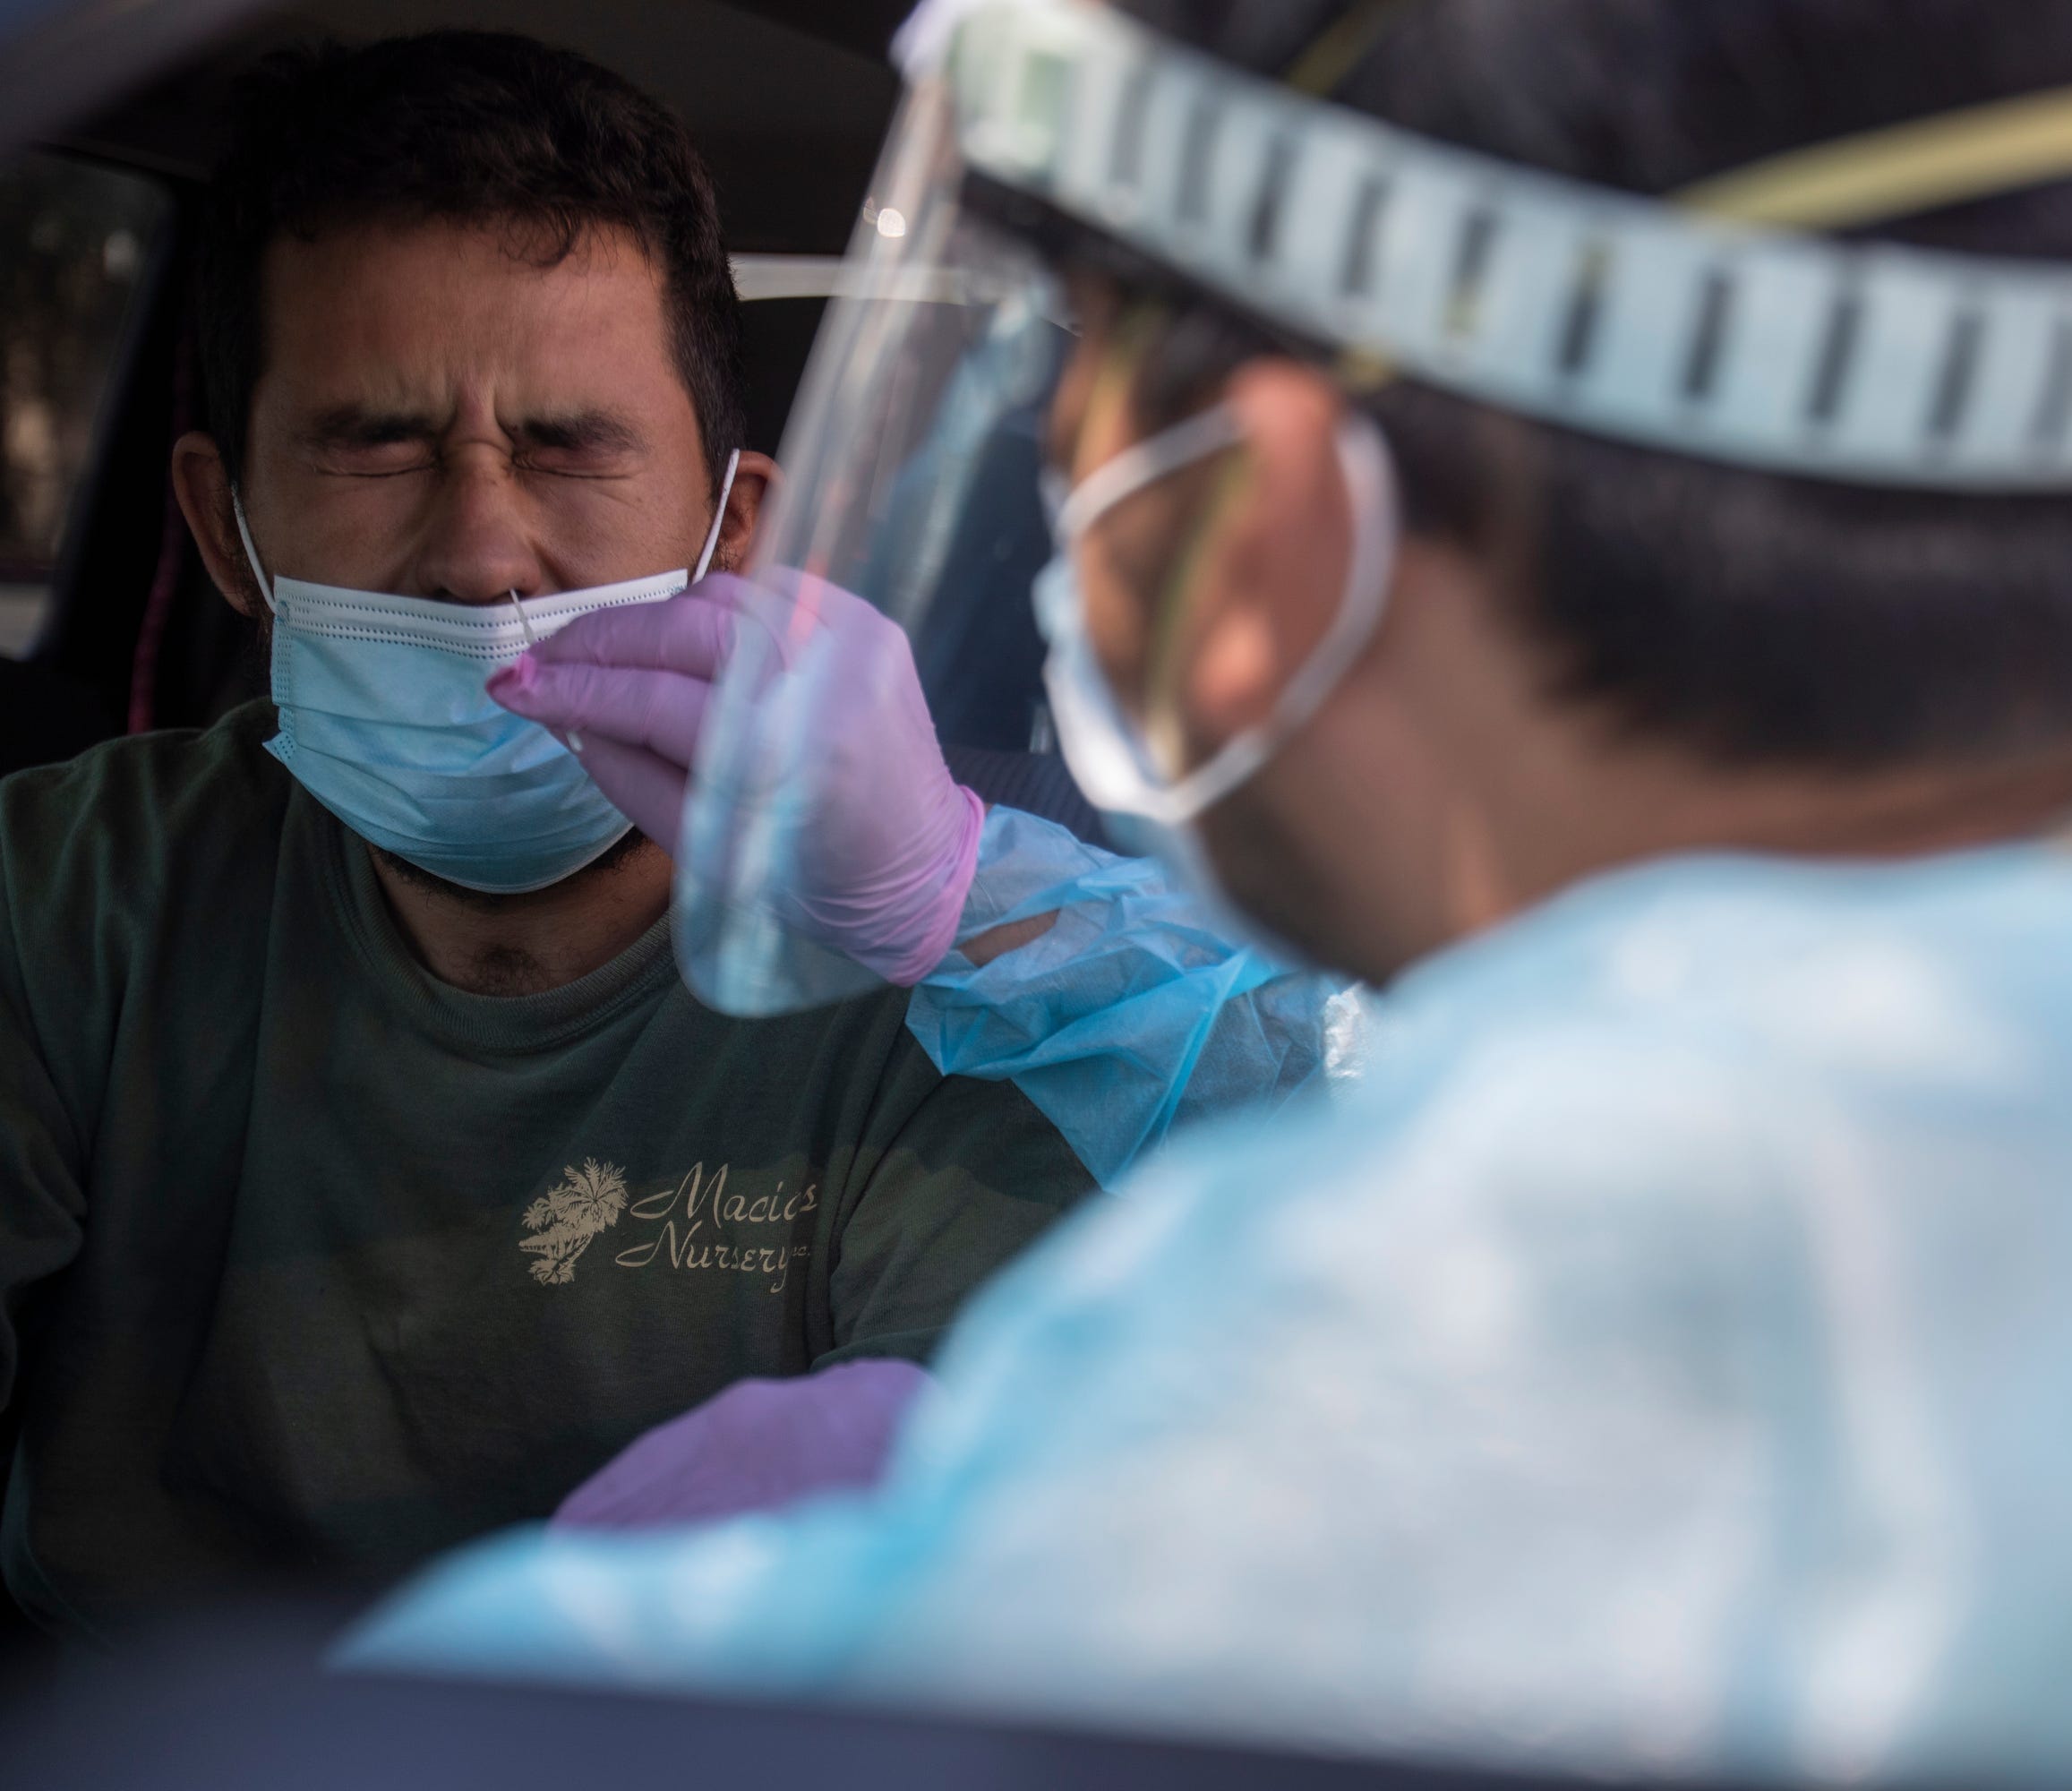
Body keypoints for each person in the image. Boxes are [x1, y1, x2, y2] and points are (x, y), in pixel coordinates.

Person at [354, 1, 2072, 1783]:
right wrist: (983, 896)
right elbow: (1448, 1041)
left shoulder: (1426, 1430)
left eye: (1074, 428)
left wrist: (664, 1602)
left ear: (1250, 546)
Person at [0, 28, 1334, 1643]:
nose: (484, 553)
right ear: (224, 526)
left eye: (568, 445)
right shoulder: (71, 896)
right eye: (379, 446)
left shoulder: (967, 985)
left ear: (740, 532)